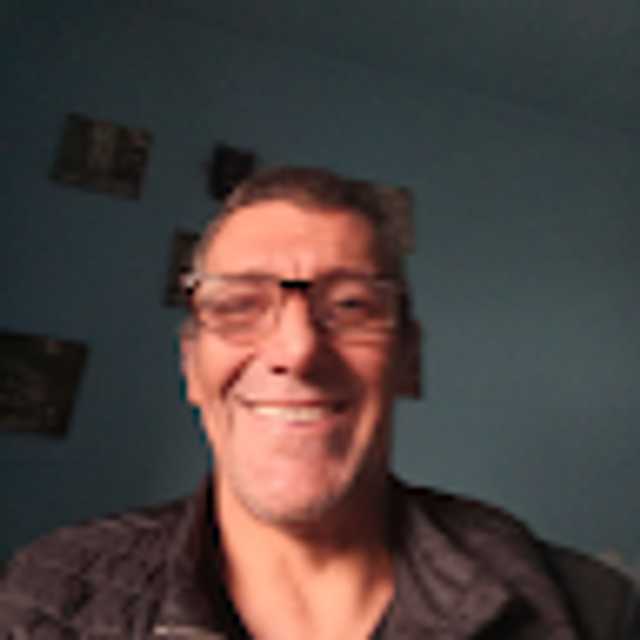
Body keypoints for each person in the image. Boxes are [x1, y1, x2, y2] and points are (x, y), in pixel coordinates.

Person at [1, 167, 638, 639]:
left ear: (409, 361)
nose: (297, 350)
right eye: (239, 305)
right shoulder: (50, 597)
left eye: (352, 306)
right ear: (191, 367)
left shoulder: (591, 610)